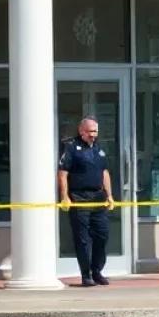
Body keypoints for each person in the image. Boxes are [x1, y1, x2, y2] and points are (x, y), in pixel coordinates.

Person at [58, 117, 115, 287]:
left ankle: (97, 270)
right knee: (83, 238)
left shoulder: (99, 148)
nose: (93, 135)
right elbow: (63, 173)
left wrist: (110, 195)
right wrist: (65, 196)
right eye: (90, 132)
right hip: (80, 197)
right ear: (81, 131)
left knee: (102, 235)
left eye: (95, 131)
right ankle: (86, 274)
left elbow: (104, 172)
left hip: (98, 197)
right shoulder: (71, 148)